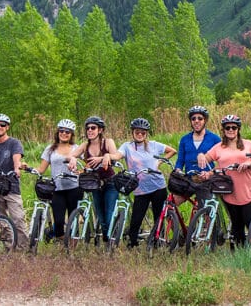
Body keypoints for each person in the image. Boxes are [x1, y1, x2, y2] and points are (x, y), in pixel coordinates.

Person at [198, 115, 251, 245]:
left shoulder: (248, 144)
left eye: (234, 127)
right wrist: (200, 156)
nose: (231, 130)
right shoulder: (218, 147)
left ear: (238, 129)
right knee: (236, 223)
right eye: (227, 127)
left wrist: (249, 164)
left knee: (250, 222)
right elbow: (207, 158)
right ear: (224, 130)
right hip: (229, 191)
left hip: (248, 190)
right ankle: (238, 253)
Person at [112, 117, 176, 248]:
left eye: (143, 132)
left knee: (159, 217)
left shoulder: (154, 145)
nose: (140, 135)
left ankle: (158, 241)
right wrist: (108, 157)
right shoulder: (127, 147)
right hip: (140, 189)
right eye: (137, 132)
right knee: (136, 218)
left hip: (158, 186)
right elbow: (117, 155)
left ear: (147, 133)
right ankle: (133, 243)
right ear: (132, 133)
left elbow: (172, 151)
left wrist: (159, 161)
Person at [28, 119, 82, 242]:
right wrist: (28, 168)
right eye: (61, 131)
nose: (64, 133)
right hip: (57, 188)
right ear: (58, 132)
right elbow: (41, 169)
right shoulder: (50, 149)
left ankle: (72, 245)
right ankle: (61, 240)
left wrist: (81, 172)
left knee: (73, 219)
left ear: (71, 134)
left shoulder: (77, 148)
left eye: (67, 131)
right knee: (58, 220)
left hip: (74, 187)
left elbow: (86, 165)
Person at [0, 113, 30, 250]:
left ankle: (23, 249)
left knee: (18, 218)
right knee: (2, 220)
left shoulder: (14, 143)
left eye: (2, 125)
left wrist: (17, 168)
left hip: (11, 186)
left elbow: (17, 159)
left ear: (7, 127)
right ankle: (9, 248)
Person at [70, 115, 118, 241]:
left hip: (109, 183)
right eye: (87, 128)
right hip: (94, 184)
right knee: (101, 217)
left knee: (109, 216)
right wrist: (73, 159)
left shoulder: (108, 142)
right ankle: (106, 241)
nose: (90, 130)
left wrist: (104, 157)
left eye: (93, 128)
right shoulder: (85, 146)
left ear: (100, 130)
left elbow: (116, 156)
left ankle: (111, 241)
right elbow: (71, 155)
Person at [173, 105, 221, 203]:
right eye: (193, 118)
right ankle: (175, 218)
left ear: (205, 120)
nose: (196, 121)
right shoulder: (185, 139)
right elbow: (180, 160)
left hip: (206, 180)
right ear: (190, 121)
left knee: (204, 209)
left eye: (200, 118)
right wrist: (178, 170)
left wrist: (211, 172)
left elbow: (222, 159)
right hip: (189, 179)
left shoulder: (214, 138)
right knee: (173, 202)